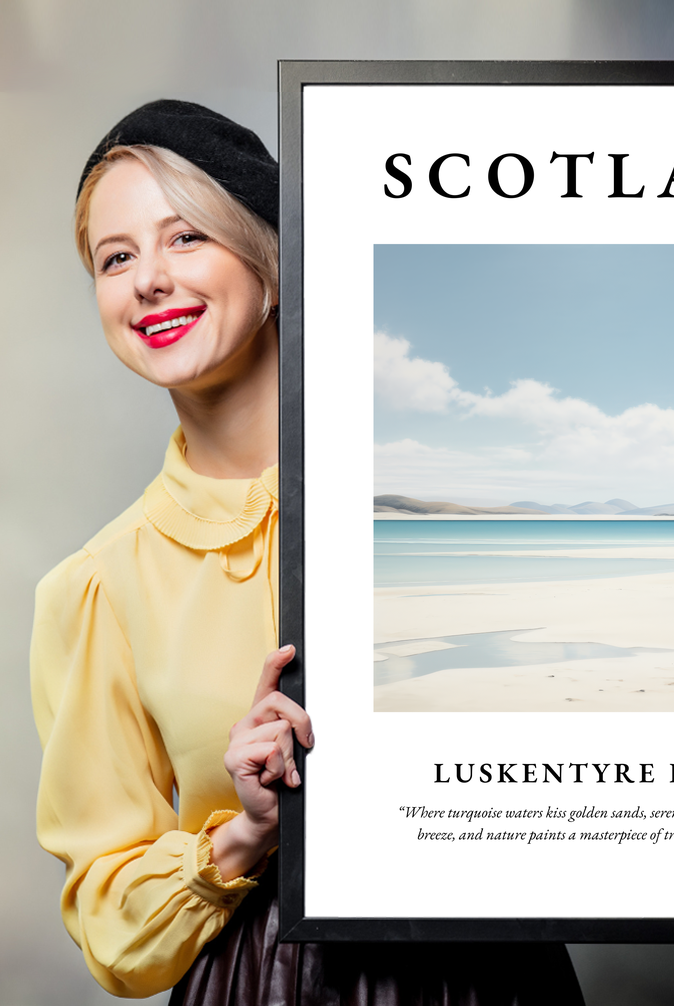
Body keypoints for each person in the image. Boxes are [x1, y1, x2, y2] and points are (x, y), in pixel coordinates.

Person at [30, 100, 585, 1004]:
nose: (148, 281)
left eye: (186, 239)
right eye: (116, 257)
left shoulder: (438, 506)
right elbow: (110, 924)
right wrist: (245, 832)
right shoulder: (97, 587)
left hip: (493, 973)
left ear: (274, 264)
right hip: (262, 982)